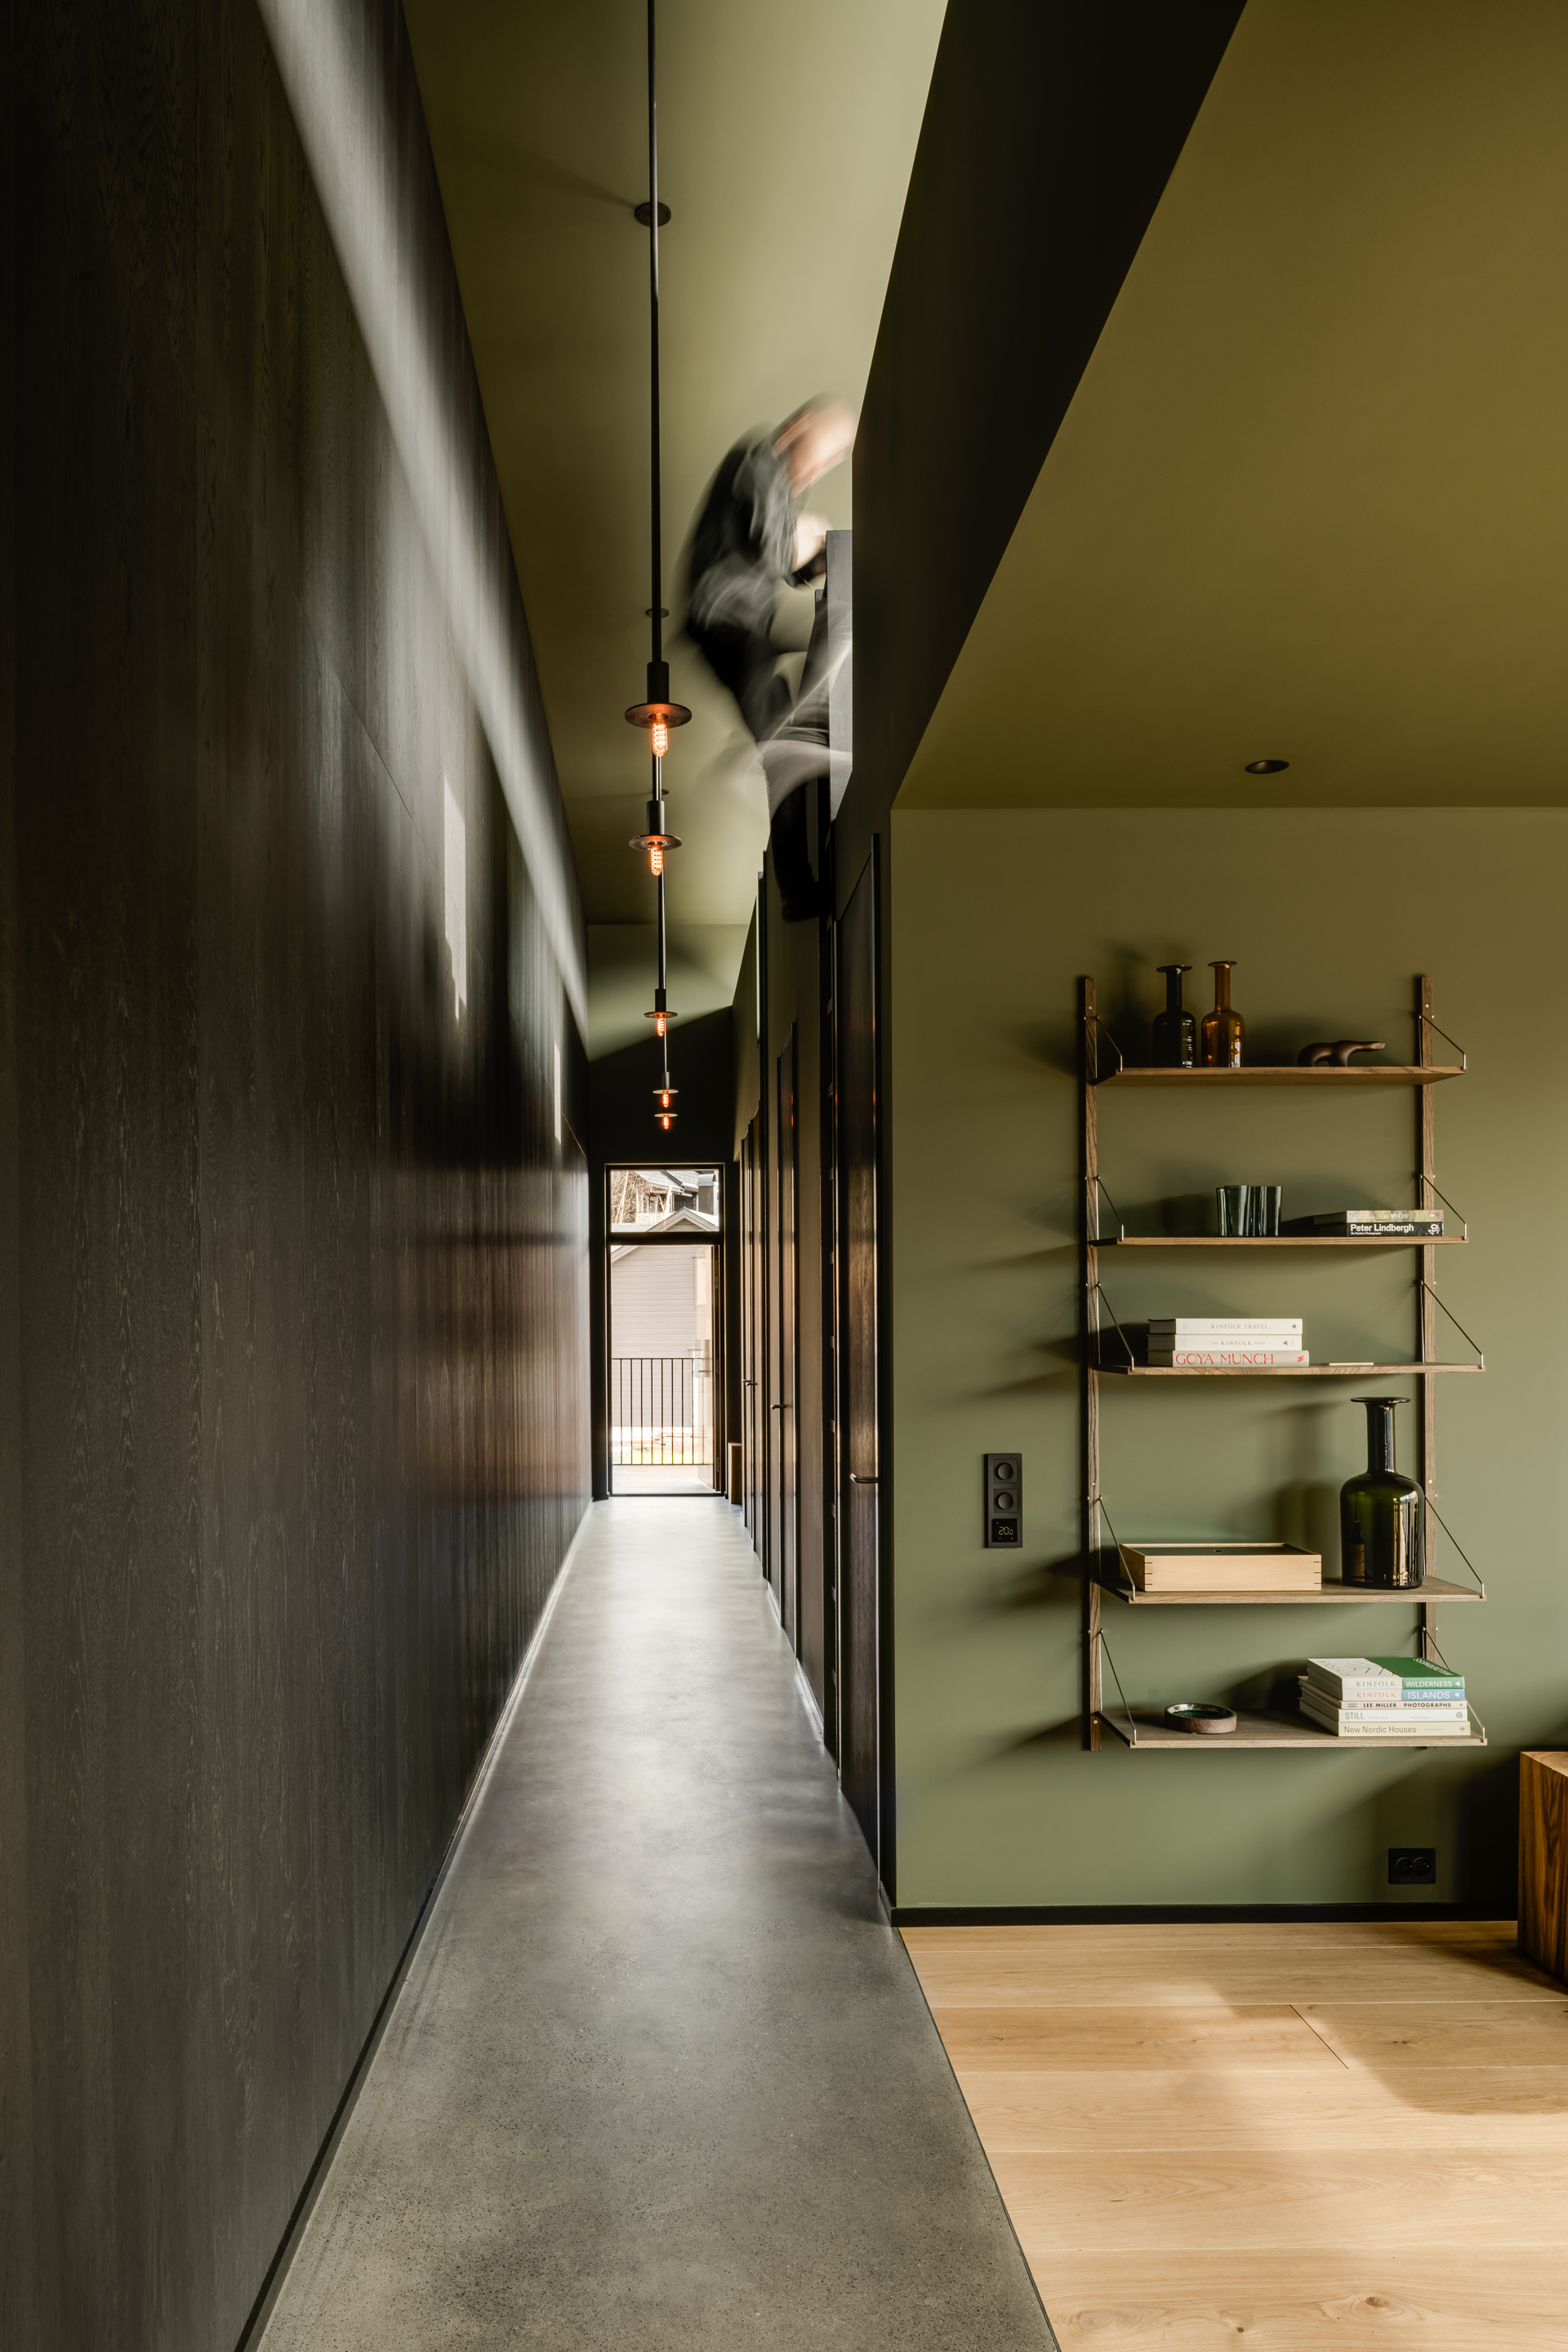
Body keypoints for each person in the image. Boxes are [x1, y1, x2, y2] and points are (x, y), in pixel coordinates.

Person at [684, 399, 855, 920]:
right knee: (787, 702)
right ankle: (787, 736)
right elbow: (770, 547)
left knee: (784, 753)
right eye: (822, 454)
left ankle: (795, 889)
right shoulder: (758, 461)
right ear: (798, 429)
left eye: (831, 464)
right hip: (722, 623)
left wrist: (823, 554)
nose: (820, 468)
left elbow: (792, 570)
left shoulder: (784, 493)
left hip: (748, 628)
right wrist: (806, 534)